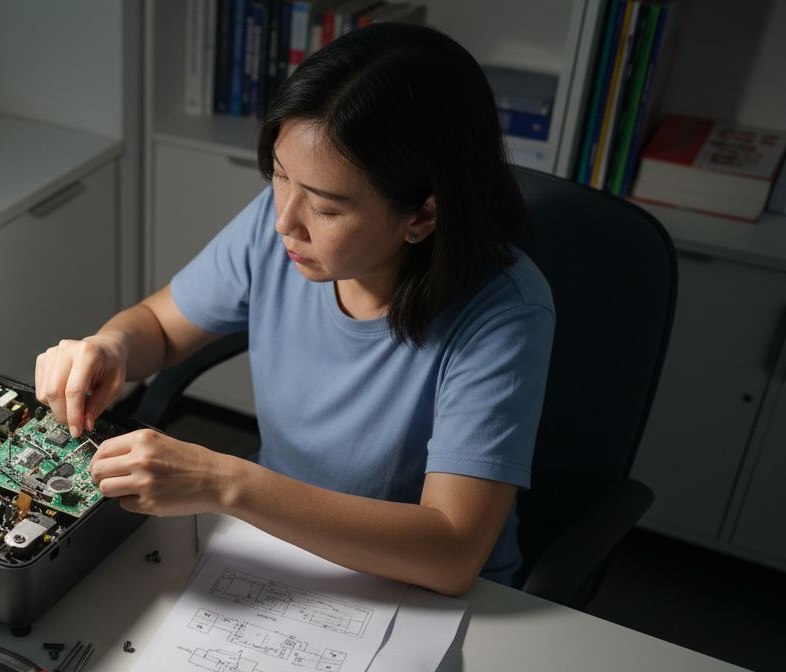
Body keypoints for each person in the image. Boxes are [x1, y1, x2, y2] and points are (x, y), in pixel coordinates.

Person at [33, 22, 554, 596]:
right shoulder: (277, 226)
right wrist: (110, 347)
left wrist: (227, 482)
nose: (286, 221)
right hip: (277, 542)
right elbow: (158, 325)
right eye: (280, 177)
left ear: (422, 217)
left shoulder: (504, 312)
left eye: (327, 209)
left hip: (420, 588)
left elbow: (452, 550)